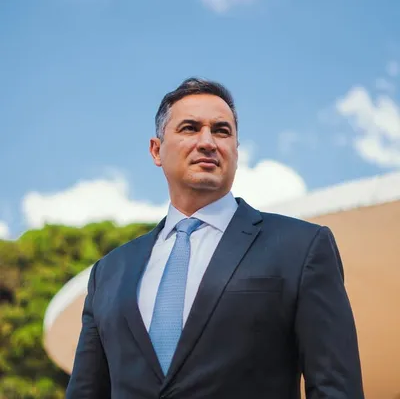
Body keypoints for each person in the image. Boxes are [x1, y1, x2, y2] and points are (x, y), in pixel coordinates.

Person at [66, 78, 365, 398]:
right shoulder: (108, 273)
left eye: (222, 131)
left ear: (236, 150)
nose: (207, 142)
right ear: (156, 150)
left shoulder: (301, 247)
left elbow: (336, 389)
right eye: (190, 128)